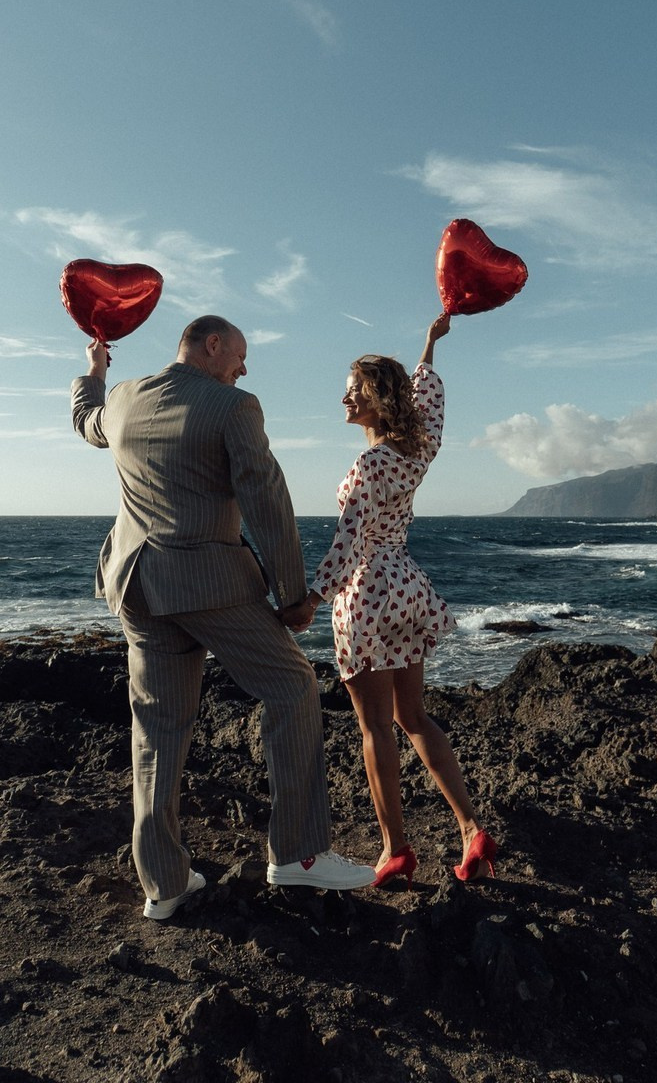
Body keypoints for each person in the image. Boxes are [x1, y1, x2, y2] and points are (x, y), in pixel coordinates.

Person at [71, 315, 376, 920]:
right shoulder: (232, 407)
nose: (244, 367)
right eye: (240, 355)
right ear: (212, 346)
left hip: (137, 582)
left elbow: (87, 422)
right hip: (209, 582)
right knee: (292, 686)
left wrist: (95, 371)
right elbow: (264, 495)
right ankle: (299, 855)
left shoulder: (127, 398)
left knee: (157, 729)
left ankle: (164, 884)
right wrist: (292, 594)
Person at [288, 314, 497, 887]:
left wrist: (312, 597)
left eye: (353, 391)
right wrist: (429, 345)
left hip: (365, 595)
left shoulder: (368, 464)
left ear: (377, 400)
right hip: (406, 585)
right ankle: (471, 829)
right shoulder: (417, 449)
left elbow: (350, 540)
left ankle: (396, 850)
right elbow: (428, 396)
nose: (344, 399)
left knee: (376, 728)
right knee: (414, 716)